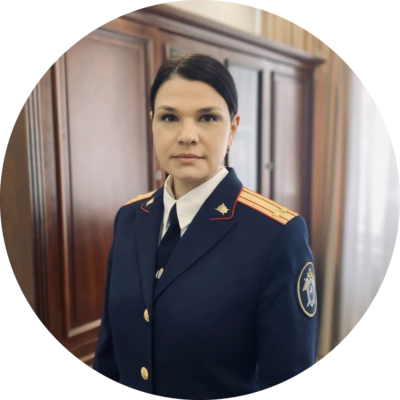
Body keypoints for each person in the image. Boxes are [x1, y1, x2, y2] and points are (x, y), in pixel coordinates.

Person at [93, 53, 318, 399]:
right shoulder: (130, 217)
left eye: (208, 118)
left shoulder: (276, 234)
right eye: (169, 117)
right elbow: (109, 355)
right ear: (152, 123)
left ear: (232, 129)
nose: (187, 136)